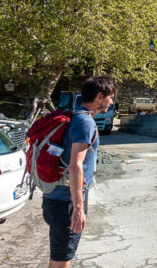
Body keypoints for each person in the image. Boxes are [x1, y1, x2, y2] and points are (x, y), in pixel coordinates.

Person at [42, 75, 116, 268]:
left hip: (56, 196)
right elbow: (76, 164)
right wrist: (78, 208)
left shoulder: (75, 116)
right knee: (60, 262)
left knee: (61, 256)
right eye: (110, 97)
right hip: (65, 201)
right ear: (100, 96)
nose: (111, 102)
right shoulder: (85, 122)